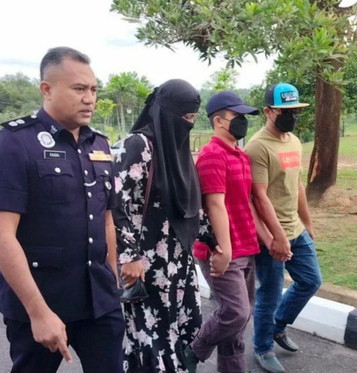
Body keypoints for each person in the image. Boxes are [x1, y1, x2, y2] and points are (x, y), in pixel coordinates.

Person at [0, 47, 124, 372]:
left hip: (99, 302)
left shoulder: (100, 145)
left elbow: (106, 221)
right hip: (41, 302)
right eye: (79, 89)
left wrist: (112, 281)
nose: (89, 98)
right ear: (46, 89)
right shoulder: (15, 143)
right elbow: (1, 236)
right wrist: (38, 312)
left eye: (93, 90)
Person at [112, 79, 218, 372]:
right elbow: (114, 203)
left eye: (193, 119)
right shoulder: (138, 147)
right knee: (152, 337)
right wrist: (129, 256)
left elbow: (191, 207)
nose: (189, 125)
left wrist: (215, 242)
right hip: (146, 266)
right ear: (166, 113)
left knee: (178, 337)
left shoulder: (177, 151)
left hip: (178, 263)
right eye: (185, 118)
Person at [185, 91, 274, 373]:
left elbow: (246, 202)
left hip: (246, 245)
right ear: (219, 120)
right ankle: (192, 350)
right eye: (238, 117)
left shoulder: (239, 155)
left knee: (238, 323)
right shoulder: (212, 155)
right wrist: (223, 250)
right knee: (236, 313)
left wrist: (267, 238)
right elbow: (214, 204)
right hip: (223, 249)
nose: (243, 122)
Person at [245, 83, 322, 373]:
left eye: (294, 111)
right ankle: (263, 348)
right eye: (284, 111)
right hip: (269, 236)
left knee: (311, 280)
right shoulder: (258, 147)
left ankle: (278, 325)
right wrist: (276, 237)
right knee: (270, 292)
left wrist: (308, 222)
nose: (290, 116)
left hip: (296, 228)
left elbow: (297, 184)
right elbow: (259, 196)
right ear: (267, 111)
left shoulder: (294, 141)